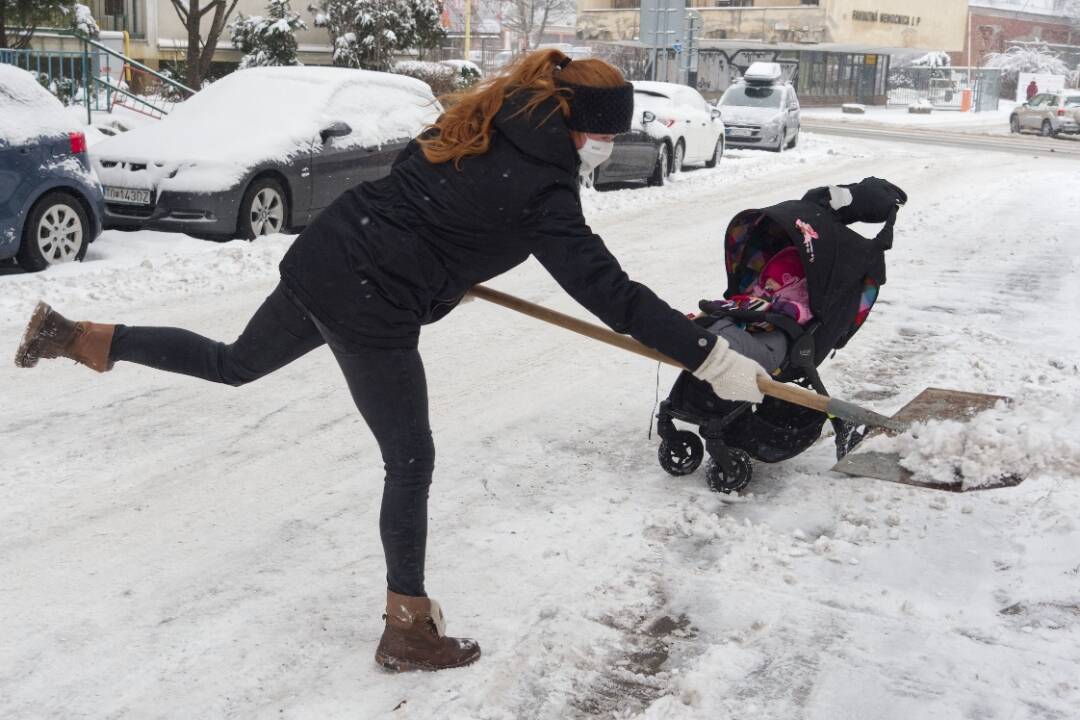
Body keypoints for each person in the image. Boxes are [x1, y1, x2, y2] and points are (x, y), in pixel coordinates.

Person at [14, 49, 767, 672]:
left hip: (331, 255)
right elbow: (611, 292)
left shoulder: (484, 118)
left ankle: (80, 337)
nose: (598, 150)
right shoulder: (544, 189)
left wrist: (449, 268)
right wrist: (707, 355)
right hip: (372, 299)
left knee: (234, 362)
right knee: (410, 460)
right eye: (599, 138)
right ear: (581, 129)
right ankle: (408, 628)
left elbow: (424, 194)